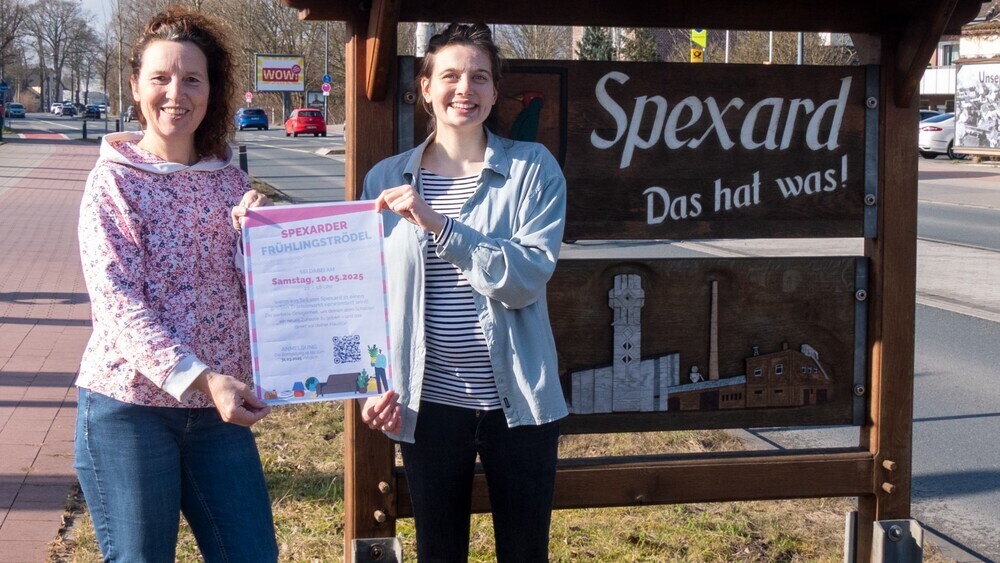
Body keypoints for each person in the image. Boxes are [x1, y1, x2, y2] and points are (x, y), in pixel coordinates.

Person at [74, 7, 278, 562]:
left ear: (212, 90)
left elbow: (255, 294)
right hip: (129, 409)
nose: (175, 94)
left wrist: (260, 243)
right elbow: (119, 306)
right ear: (136, 86)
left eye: (192, 79)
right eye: (160, 77)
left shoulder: (231, 182)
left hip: (217, 416)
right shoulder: (112, 183)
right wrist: (203, 379)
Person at [360, 22, 568, 562]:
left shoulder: (532, 170)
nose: (464, 89)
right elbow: (364, 297)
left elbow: (525, 278)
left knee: (525, 554)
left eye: (479, 77)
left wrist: (440, 225)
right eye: (450, 75)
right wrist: (370, 384)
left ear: (495, 93)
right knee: (438, 553)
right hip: (428, 405)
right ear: (425, 87)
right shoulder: (384, 180)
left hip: (519, 403)